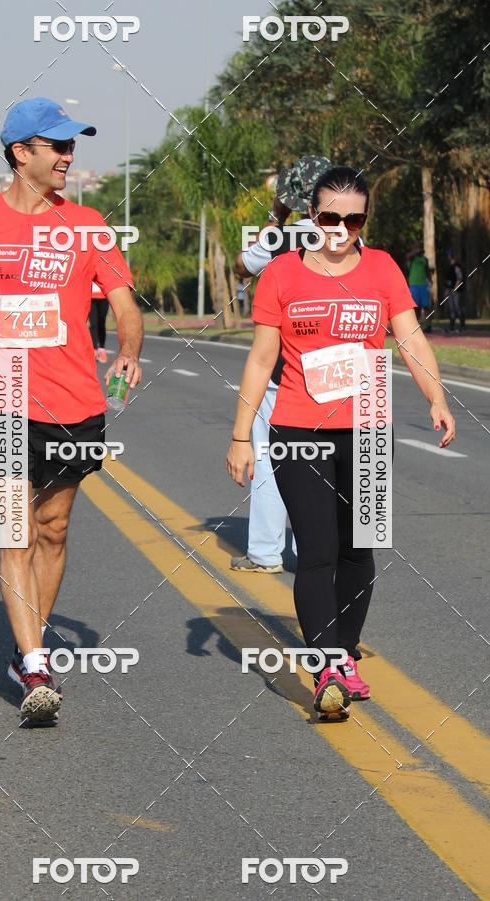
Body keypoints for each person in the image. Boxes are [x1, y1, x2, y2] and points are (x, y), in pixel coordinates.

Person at [227, 166, 455, 720]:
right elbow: (261, 359)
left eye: (354, 219)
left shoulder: (381, 269)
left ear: (364, 221)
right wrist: (240, 434)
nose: (341, 229)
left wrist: (437, 397)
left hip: (370, 428)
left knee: (359, 550)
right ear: (312, 216)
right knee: (318, 549)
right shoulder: (281, 275)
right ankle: (326, 662)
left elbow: (409, 336)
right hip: (300, 428)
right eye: (330, 217)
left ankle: (344, 653)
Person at [0, 97, 143, 723]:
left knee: (53, 528)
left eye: (71, 145)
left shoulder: (87, 224)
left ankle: (25, 641)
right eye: (56, 145)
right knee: (15, 530)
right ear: (19, 153)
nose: (68, 155)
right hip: (1, 394)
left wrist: (130, 350)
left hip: (75, 396)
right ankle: (34, 663)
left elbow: (123, 301)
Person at [230, 155, 331, 574]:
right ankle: (331, 551)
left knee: (270, 456)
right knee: (332, 460)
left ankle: (267, 553)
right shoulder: (350, 239)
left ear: (292, 199)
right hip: (337, 368)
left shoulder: (279, 241)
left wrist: (276, 216)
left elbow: (241, 265)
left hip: (282, 371)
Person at [406, 243, 433, 333]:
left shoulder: (425, 259)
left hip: (423, 285)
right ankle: (415, 327)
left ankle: (428, 325)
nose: (418, 249)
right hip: (413, 285)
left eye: (419, 248)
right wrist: (414, 252)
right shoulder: (412, 258)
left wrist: (430, 280)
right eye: (416, 248)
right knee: (415, 307)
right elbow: (407, 257)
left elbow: (427, 270)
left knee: (426, 307)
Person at [445, 252, 466, 333]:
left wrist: (455, 288)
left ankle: (462, 326)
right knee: (452, 308)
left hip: (456, 290)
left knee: (457, 307)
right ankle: (451, 326)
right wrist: (447, 290)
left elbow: (459, 278)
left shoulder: (456, 266)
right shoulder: (450, 266)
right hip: (450, 290)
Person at [89, 281, 109, 363]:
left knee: (101, 322)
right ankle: (94, 349)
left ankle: (101, 348)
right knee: (93, 324)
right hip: (91, 296)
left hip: (103, 296)